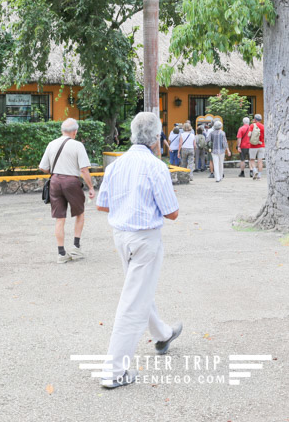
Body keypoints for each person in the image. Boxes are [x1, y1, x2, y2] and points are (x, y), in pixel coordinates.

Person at [95, 112, 183, 389]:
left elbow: (102, 205)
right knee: (133, 302)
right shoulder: (155, 167)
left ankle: (162, 334)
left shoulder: (115, 166)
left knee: (138, 291)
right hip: (145, 239)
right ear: (156, 138)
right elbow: (172, 213)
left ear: (132, 134)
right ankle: (114, 371)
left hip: (121, 236)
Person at [39, 118, 96, 264]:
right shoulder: (77, 145)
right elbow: (83, 169)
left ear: (61, 130)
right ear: (75, 132)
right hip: (71, 181)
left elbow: (43, 167)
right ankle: (76, 248)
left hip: (55, 182)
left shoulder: (51, 144)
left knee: (60, 218)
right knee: (79, 213)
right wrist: (90, 187)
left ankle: (61, 253)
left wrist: (56, 171)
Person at [248, 113, 266, 180]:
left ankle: (255, 170)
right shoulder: (263, 126)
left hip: (253, 146)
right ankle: (259, 176)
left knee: (252, 160)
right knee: (260, 161)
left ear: (255, 119)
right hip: (261, 145)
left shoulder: (252, 125)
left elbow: (249, 135)